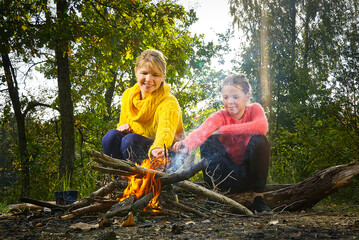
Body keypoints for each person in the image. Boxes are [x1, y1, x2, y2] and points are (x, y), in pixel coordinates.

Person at [173, 73, 271, 214]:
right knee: (208, 139)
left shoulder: (254, 109)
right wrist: (186, 144)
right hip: (226, 176)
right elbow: (201, 132)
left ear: (247, 97)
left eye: (235, 97)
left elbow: (261, 127)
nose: (230, 101)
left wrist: (224, 130)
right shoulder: (220, 116)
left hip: (248, 176)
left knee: (260, 140)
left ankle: (258, 199)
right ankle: (214, 193)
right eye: (226, 97)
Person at [102, 49, 184, 167]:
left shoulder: (168, 102)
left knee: (129, 141)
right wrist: (123, 128)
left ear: (163, 77)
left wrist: (157, 148)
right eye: (144, 73)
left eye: (155, 75)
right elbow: (121, 127)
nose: (149, 79)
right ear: (136, 72)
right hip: (133, 148)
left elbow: (165, 133)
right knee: (110, 136)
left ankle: (143, 180)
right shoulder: (128, 96)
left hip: (165, 154)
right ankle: (121, 178)